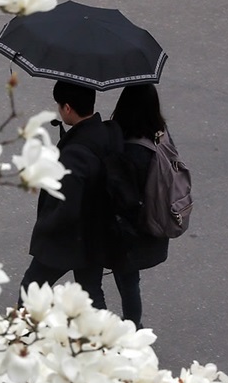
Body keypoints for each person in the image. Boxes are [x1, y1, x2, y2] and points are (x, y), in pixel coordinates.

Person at [18, 80, 121, 310]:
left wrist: (45, 226)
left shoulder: (76, 153)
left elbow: (68, 205)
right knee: (91, 291)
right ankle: (105, 341)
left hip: (69, 238)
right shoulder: (104, 133)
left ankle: (21, 337)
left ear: (67, 108)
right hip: (96, 233)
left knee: (32, 287)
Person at [108, 83, 170, 329]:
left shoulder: (129, 151)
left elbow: (122, 197)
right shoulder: (159, 135)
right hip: (154, 218)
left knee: (128, 278)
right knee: (130, 278)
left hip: (132, 228)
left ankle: (133, 327)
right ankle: (134, 325)